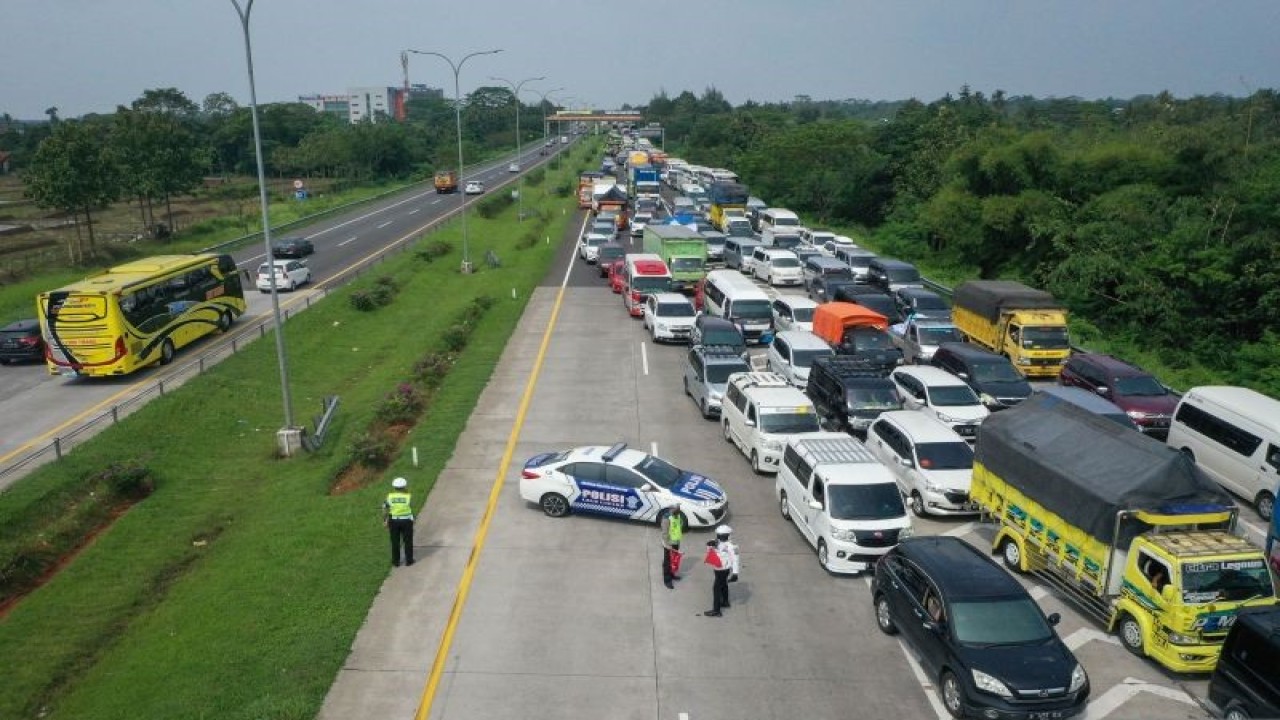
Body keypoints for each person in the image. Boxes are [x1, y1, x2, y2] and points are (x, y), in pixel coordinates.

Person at [704, 525, 740, 617]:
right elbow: (709, 552)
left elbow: (735, 560)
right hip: (717, 568)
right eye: (718, 535)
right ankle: (725, 602)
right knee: (723, 585)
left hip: (723, 570)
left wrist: (735, 573)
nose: (720, 538)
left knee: (716, 589)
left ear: (728, 535)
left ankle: (716, 610)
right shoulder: (716, 541)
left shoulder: (732, 546)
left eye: (722, 536)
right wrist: (709, 545)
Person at [383, 477, 414, 567]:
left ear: (394, 487)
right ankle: (409, 560)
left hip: (394, 521)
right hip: (406, 521)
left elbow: (384, 508)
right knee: (408, 541)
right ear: (404, 486)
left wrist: (385, 520)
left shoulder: (390, 496)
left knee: (395, 541)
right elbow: (409, 507)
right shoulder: (408, 496)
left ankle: (396, 562)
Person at [659, 506, 686, 589]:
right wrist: (668, 546)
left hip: (675, 541)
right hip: (668, 543)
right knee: (667, 561)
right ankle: (667, 580)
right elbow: (664, 534)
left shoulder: (677, 516)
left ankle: (672, 574)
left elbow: (679, 525)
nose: (677, 515)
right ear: (671, 511)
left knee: (673, 560)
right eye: (676, 514)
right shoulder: (666, 519)